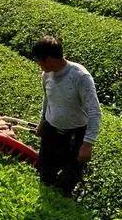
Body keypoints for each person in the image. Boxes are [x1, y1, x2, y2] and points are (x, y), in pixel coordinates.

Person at [32, 35, 101, 197]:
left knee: (67, 182)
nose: (38, 65)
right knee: (45, 174)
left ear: (49, 59)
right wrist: (42, 121)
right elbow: (47, 99)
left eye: (39, 61)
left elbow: (94, 111)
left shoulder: (80, 77)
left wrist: (88, 143)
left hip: (75, 134)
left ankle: (62, 210)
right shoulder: (46, 75)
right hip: (51, 130)